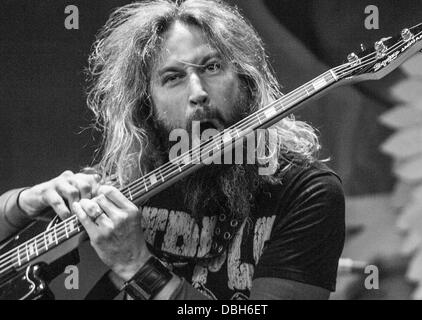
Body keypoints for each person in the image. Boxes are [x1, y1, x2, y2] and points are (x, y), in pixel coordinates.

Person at [0, 0, 345, 300]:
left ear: (245, 81)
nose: (198, 92)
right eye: (173, 77)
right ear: (146, 106)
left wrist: (136, 265)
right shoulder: (132, 178)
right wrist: (26, 203)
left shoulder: (307, 192)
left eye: (211, 67)